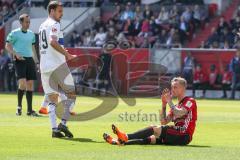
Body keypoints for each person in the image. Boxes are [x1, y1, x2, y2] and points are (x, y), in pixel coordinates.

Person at [103, 77, 197, 146]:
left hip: (184, 135)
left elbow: (180, 112)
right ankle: (117, 142)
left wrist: (169, 101)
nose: (173, 89)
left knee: (154, 128)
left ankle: (126, 136)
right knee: (150, 139)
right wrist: (163, 104)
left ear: (183, 88)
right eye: (172, 87)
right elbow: (163, 121)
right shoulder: (175, 106)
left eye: (175, 87)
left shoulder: (190, 101)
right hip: (175, 134)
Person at [39, 1, 76, 138]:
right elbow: (53, 42)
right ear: (52, 11)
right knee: (72, 95)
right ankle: (63, 124)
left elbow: (48, 46)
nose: (61, 14)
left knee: (52, 99)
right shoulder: (55, 24)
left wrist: (62, 50)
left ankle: (54, 129)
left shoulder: (43, 25)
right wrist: (66, 54)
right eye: (59, 11)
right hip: (57, 66)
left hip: (45, 66)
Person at [5, 14, 39, 116]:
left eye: (29, 22)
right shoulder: (14, 33)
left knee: (30, 84)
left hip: (30, 60)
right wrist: (15, 54)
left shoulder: (31, 34)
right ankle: (19, 107)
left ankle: (29, 110)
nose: (28, 24)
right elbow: (7, 45)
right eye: (26, 22)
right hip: (19, 60)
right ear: (21, 22)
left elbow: (33, 49)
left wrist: (36, 62)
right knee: (23, 83)